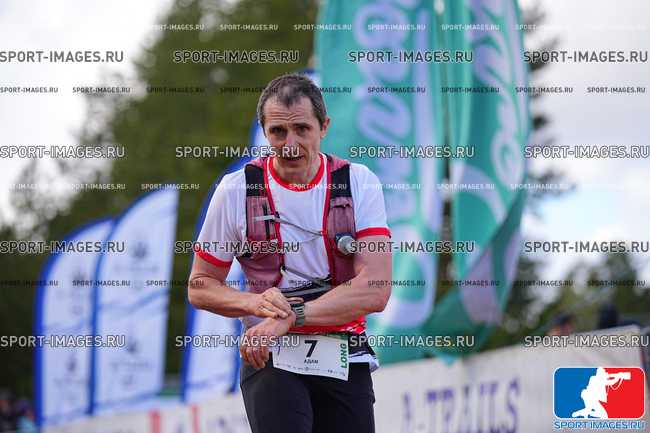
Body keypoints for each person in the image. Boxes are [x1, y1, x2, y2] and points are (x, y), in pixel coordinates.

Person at [188, 73, 392, 433]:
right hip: (270, 351)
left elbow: (375, 289)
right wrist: (255, 304)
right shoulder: (236, 190)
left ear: (324, 127)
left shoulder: (358, 183)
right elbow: (200, 285)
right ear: (264, 132)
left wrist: (292, 316)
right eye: (278, 132)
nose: (290, 144)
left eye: (302, 129)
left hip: (343, 349)